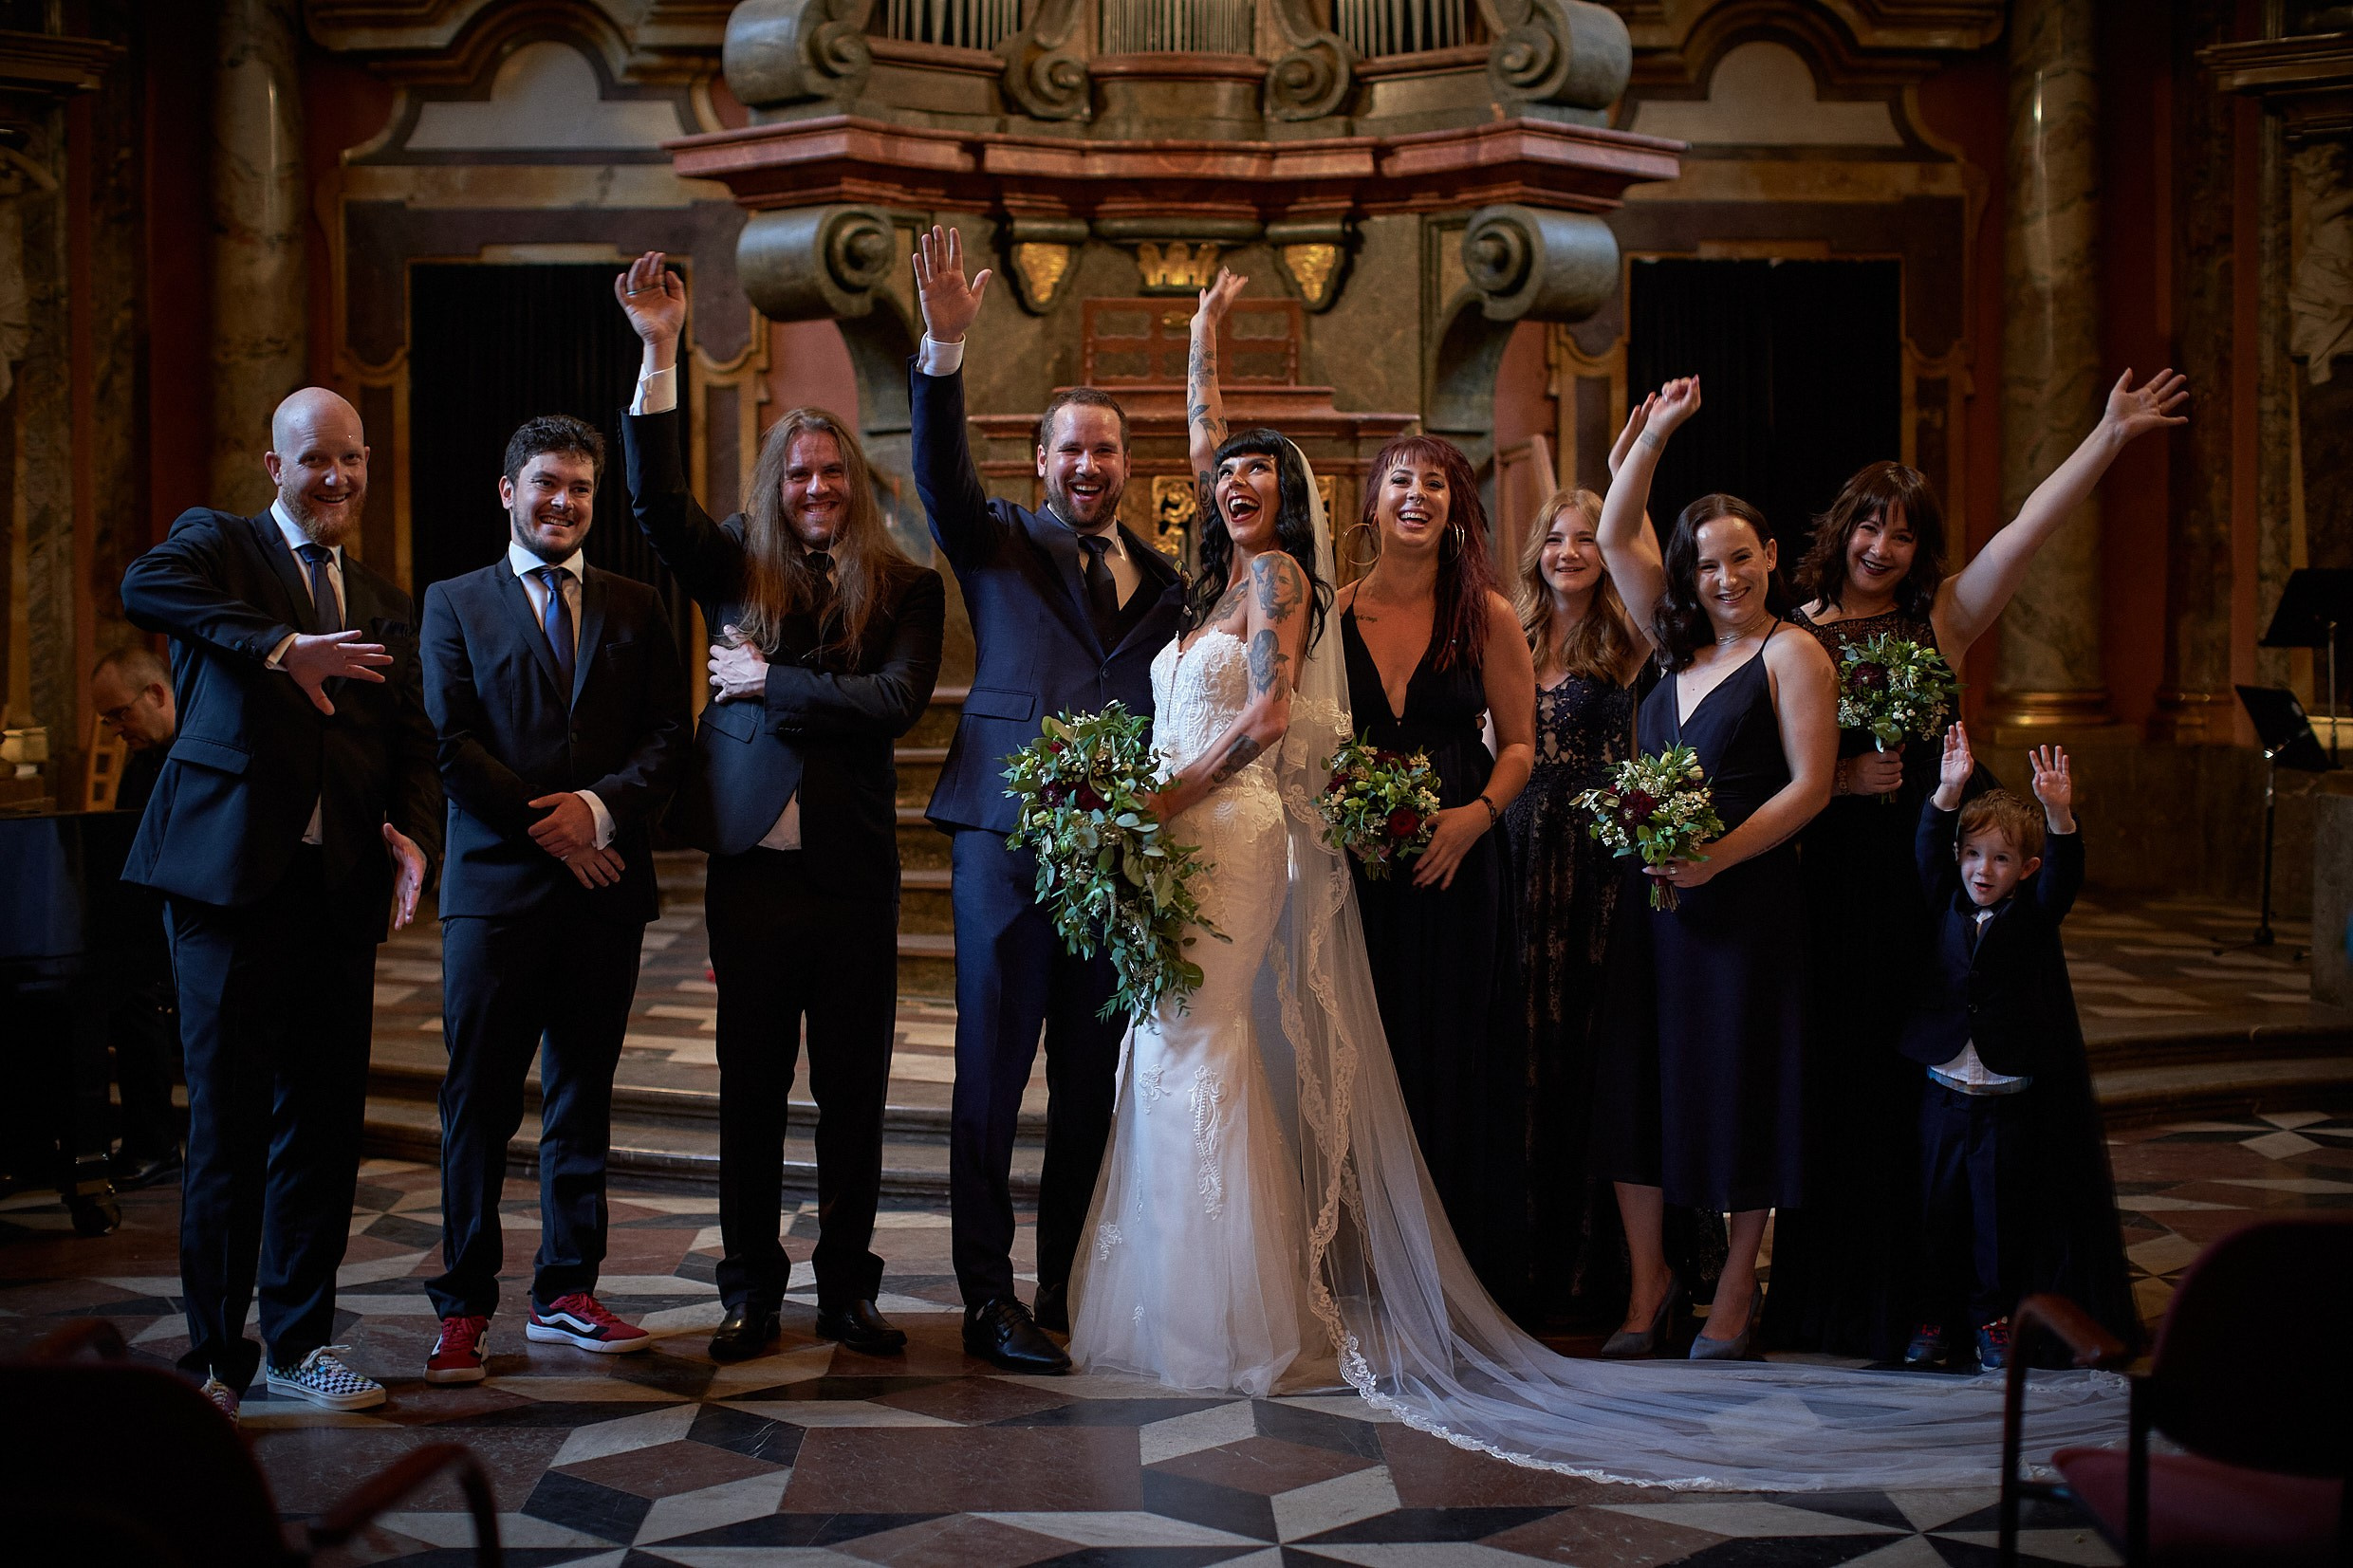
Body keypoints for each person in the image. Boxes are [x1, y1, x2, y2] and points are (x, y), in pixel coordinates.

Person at [1058, 398, 2130, 1487]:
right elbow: (1315, 705)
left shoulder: (1596, 628)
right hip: (1385, 872)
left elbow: (1531, 739)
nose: (1719, 578)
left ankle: (1650, 1285)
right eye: (1399, 480)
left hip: (1553, 868)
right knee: (1472, 1076)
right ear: (1367, 501)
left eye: (1735, 558)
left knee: (1552, 1076)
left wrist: (1472, 817)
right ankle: (1393, 1281)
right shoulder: (1315, 602)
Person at [1765, 369, 2190, 1359]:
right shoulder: (1791, 633)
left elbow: (2025, 535)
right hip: (1838, 884)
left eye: (1903, 534)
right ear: (1841, 530)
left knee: (1960, 1095)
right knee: (1856, 1088)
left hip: (1945, 888)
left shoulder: (1942, 617)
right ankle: (1864, 1300)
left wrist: (2106, 434)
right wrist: (1837, 783)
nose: (1882, 547)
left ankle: (1982, 1296)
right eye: (1869, 527)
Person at [616, 250, 945, 1364]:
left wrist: (770, 685)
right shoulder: (734, 572)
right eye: (798, 475)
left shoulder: (905, 588)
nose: (815, 490)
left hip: (851, 877)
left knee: (853, 1098)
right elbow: (655, 502)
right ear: (776, 483)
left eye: (831, 475)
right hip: (750, 874)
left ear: (854, 482)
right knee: (750, 1095)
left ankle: (847, 1291)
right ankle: (748, 1290)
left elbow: (896, 702)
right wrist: (659, 351)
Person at [120, 387, 441, 1422]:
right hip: (224, 887)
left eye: (349, 459)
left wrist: (412, 830)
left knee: (321, 1128)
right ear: (275, 467)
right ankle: (215, 1357)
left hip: (336, 892)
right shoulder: (219, 548)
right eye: (314, 461)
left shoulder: (387, 597)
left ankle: (299, 1344)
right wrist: (278, 648)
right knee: (224, 1125)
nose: (334, 478)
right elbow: (144, 583)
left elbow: (411, 740)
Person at [911, 224, 1187, 1372]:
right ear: (1039, 462)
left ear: (1131, 465)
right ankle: (984, 1297)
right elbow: (935, 471)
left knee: (1091, 1081)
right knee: (989, 1074)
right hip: (1007, 847)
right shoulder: (998, 544)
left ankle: (1064, 1285)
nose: (1088, 467)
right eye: (1070, 450)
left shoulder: (1166, 586)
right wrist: (942, 348)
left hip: (1116, 863)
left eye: (1107, 452)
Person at [417, 415, 691, 1384]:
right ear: (507, 492)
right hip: (494, 896)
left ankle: (565, 1291)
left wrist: (596, 814)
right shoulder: (453, 603)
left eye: (578, 488)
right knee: (478, 1105)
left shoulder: (633, 603)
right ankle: (462, 1306)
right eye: (544, 485)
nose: (562, 503)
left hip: (604, 892)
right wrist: (557, 831)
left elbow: (667, 735)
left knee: (581, 1100)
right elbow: (450, 745)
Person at [1590, 375, 1839, 1360]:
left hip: (1746, 908)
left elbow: (1809, 789)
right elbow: (1615, 535)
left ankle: (1734, 1290)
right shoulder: (1669, 645)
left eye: (1741, 558)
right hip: (1653, 910)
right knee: (1637, 1088)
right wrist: (1650, 435)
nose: (1724, 578)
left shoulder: (1791, 655)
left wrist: (1714, 861)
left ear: (1771, 557)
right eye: (1705, 564)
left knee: (1743, 1092)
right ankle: (1649, 1286)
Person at [1502, 474, 1727, 1332]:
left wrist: (1638, 456)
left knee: (1600, 1054)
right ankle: (1532, 1260)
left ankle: (1621, 1272)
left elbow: (1647, 565)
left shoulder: (1627, 635)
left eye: (1587, 540)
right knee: (1529, 1050)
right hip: (1522, 852)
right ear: (1538, 550)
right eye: (1557, 538)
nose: (1570, 553)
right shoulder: (1511, 629)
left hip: (1600, 866)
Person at [1901, 728, 2135, 1370]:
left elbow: (2065, 874)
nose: (1984, 869)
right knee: (1933, 1210)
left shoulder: (2033, 916)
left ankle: (1990, 1317)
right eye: (1974, 854)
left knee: (1995, 1218)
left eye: (2002, 859)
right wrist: (1947, 790)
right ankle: (1930, 1315)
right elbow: (1927, 848)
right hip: (1943, 1093)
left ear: (2026, 869)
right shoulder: (1943, 900)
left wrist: (2059, 814)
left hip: (2004, 1098)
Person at [90, 643, 183, 1190]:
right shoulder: (142, 758)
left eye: (120, 714)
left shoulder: (194, 748)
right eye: (107, 720)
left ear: (156, 694)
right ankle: (145, 1137)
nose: (115, 730)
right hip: (153, 918)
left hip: (198, 920)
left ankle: (156, 1143)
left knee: (135, 997)